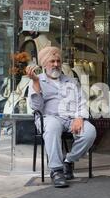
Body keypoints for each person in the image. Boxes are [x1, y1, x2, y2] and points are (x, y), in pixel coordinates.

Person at [27, 47, 96, 188]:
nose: (56, 64)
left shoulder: (71, 81)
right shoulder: (37, 80)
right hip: (48, 118)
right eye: (52, 61)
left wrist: (79, 118)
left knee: (90, 132)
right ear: (44, 64)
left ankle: (68, 161)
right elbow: (37, 107)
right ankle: (56, 170)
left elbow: (81, 102)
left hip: (71, 119)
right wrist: (35, 83)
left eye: (58, 61)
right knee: (53, 126)